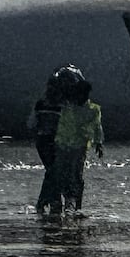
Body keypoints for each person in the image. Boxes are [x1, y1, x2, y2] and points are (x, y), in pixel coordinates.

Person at [50, 64, 105, 215]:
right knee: (62, 173)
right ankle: (64, 202)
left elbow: (97, 127)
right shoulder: (69, 105)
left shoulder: (93, 109)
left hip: (78, 146)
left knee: (75, 175)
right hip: (63, 144)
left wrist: (99, 143)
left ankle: (75, 203)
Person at [30, 78, 67, 215]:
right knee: (54, 171)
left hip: (42, 141)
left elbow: (31, 123)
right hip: (55, 141)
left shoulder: (40, 104)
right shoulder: (63, 105)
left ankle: (50, 200)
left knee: (52, 171)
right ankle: (49, 200)